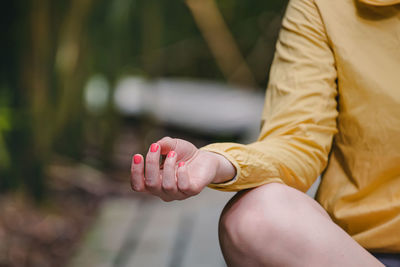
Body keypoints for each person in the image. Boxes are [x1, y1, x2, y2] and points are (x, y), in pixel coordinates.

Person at [130, 0, 400, 265]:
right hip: (357, 255)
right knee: (251, 218)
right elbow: (297, 139)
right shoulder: (323, 6)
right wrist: (218, 161)